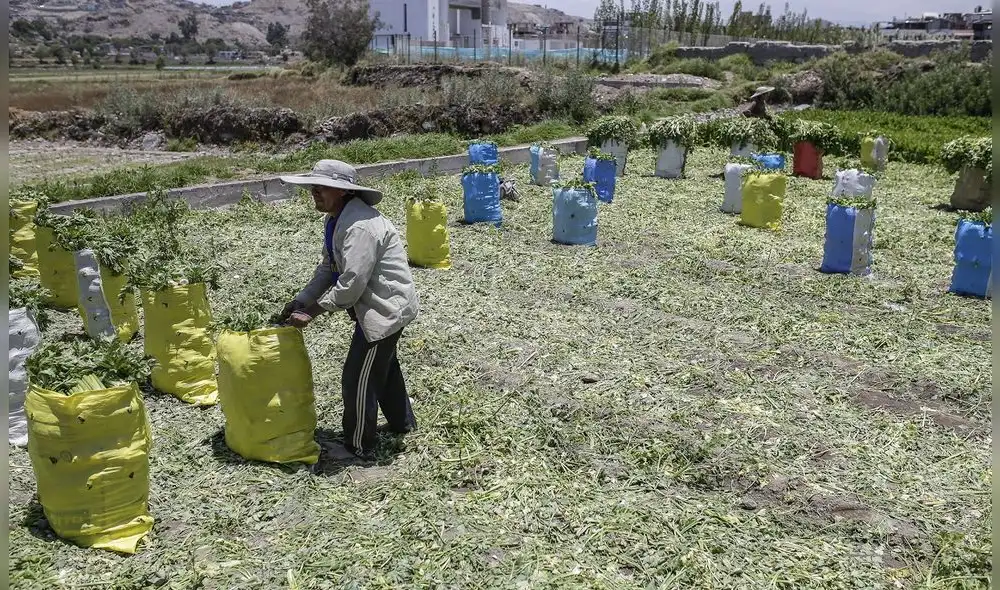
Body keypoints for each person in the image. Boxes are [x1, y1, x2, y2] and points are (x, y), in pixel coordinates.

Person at [277, 159, 419, 461]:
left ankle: (358, 446)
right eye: (313, 187)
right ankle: (403, 424)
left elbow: (351, 283)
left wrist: (312, 311)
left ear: (342, 191)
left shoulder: (360, 227)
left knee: (357, 378)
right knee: (382, 368)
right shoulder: (336, 220)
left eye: (322, 187)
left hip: (384, 310)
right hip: (380, 306)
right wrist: (302, 299)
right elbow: (328, 269)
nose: (315, 192)